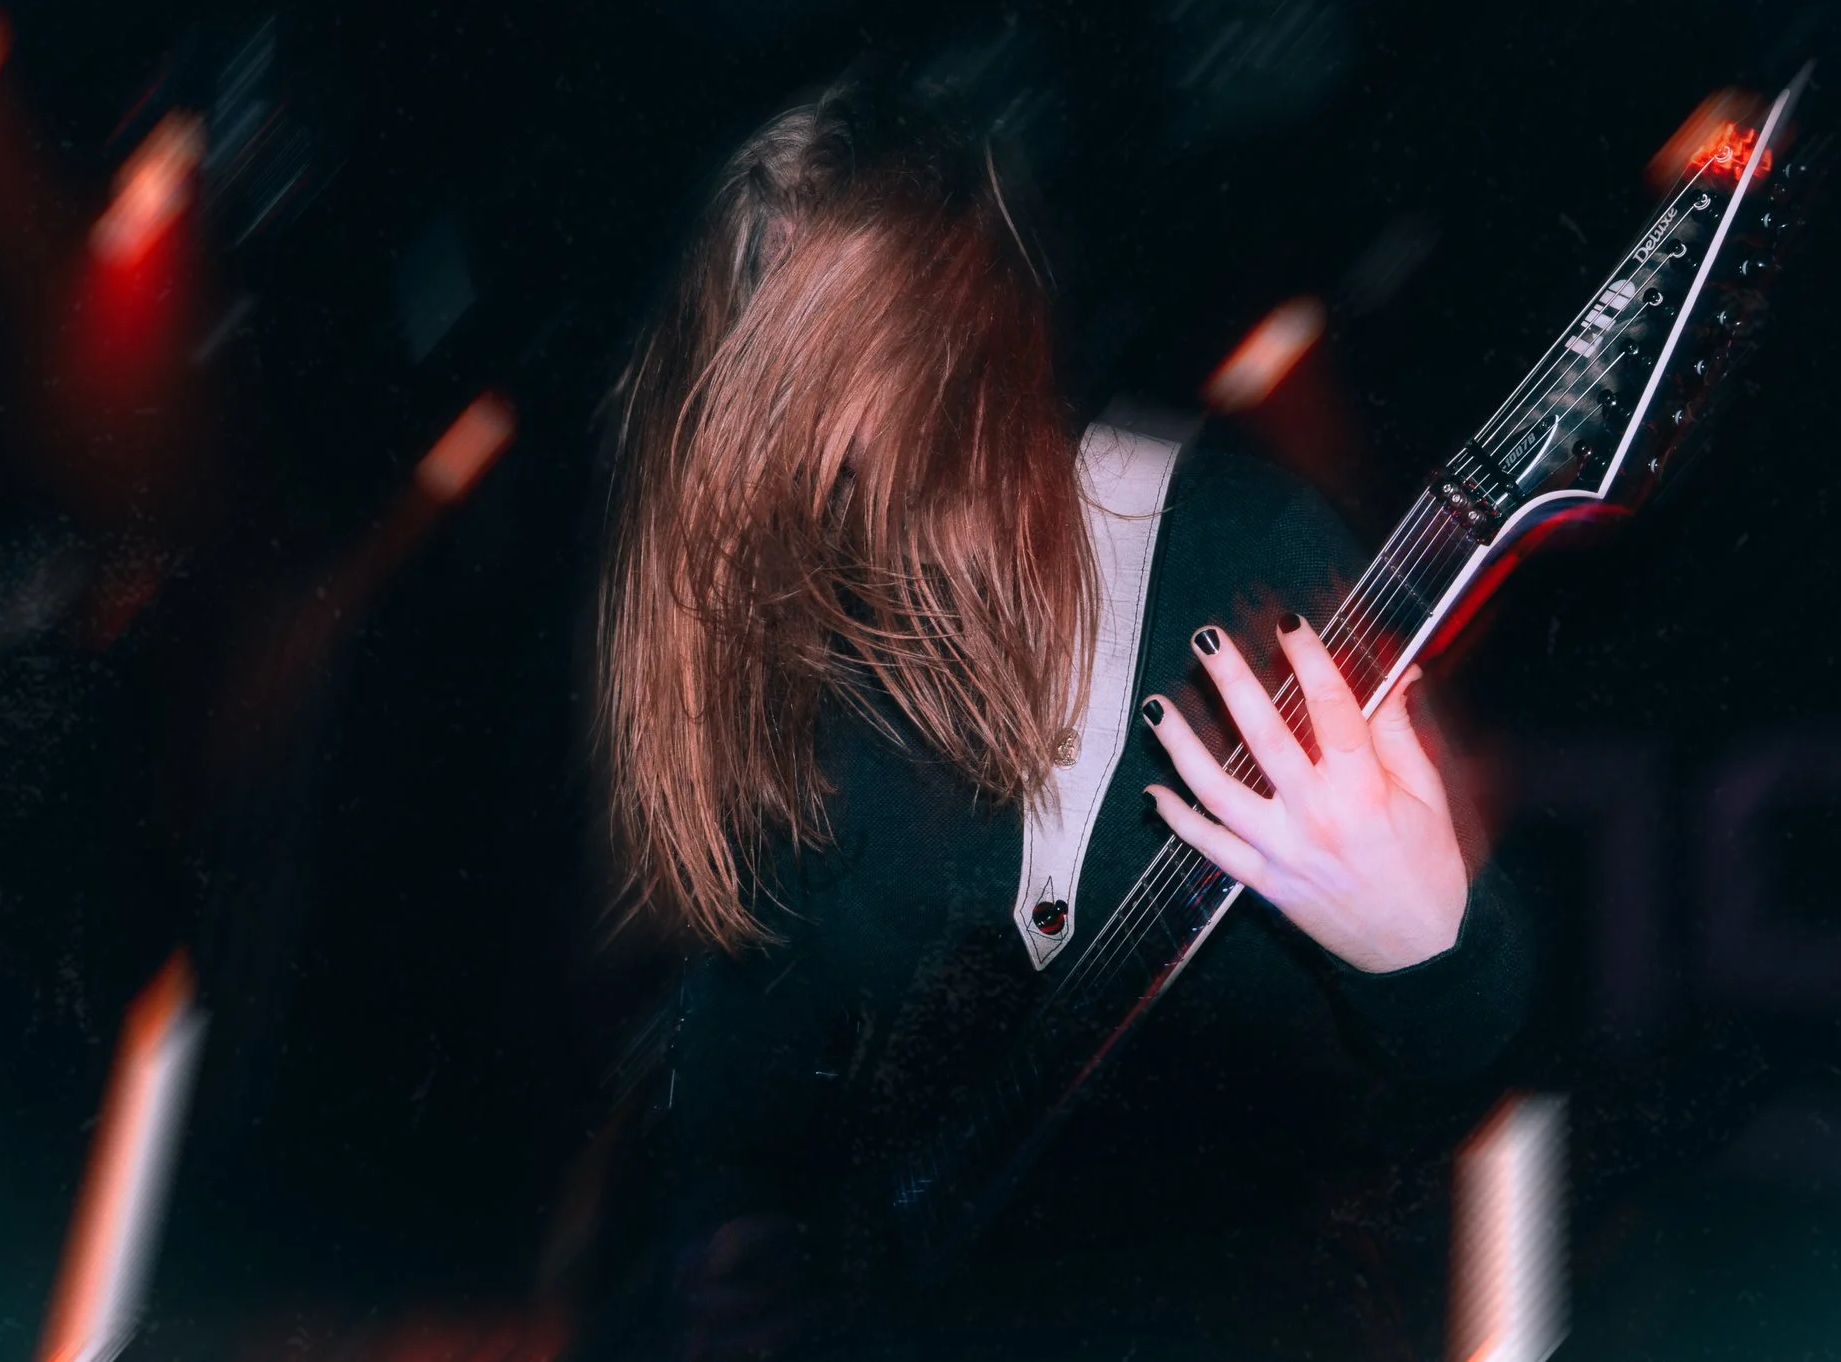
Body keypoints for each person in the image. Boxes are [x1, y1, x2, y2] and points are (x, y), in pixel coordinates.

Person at [591, 78, 1530, 1360]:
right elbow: (747, 1060)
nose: (776, 389)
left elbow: (1478, 1033)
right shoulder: (810, 675)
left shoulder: (1234, 552)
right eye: (754, 305)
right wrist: (729, 1237)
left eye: (820, 318)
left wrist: (1420, 938)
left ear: (949, 315)